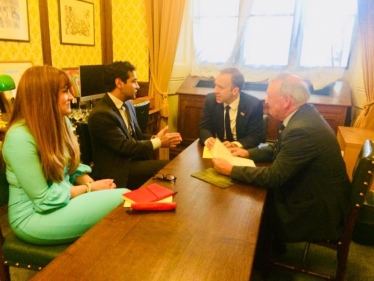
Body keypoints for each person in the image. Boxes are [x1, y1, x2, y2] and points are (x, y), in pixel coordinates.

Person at [212, 73, 351, 254]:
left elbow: (274, 177)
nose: (266, 100)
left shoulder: (302, 130)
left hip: (318, 212)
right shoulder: (303, 115)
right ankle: (270, 251)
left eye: (269, 96)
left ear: (286, 101)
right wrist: (246, 152)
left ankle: (255, 260)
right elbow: (279, 148)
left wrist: (231, 169)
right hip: (315, 196)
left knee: (251, 210)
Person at [2, 65, 127, 246]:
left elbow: (72, 168)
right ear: (43, 97)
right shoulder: (19, 138)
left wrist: (91, 183)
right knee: (123, 197)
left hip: (62, 201)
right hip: (33, 216)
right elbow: (45, 200)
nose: (71, 97)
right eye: (65, 91)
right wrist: (90, 189)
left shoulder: (62, 121)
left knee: (119, 200)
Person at [88, 61, 182, 190]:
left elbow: (138, 136)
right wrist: (159, 142)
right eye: (134, 81)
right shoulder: (101, 114)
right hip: (118, 171)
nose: (137, 86)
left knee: (171, 166)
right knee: (168, 167)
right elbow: (125, 147)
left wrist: (155, 137)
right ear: (119, 83)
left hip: (132, 162)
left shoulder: (128, 105)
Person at [199, 67, 264, 150]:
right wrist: (208, 139)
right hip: (218, 149)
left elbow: (255, 136)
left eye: (221, 87)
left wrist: (235, 145)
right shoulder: (211, 100)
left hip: (242, 150)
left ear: (235, 91)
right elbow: (204, 128)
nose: (215, 91)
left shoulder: (254, 105)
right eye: (215, 85)